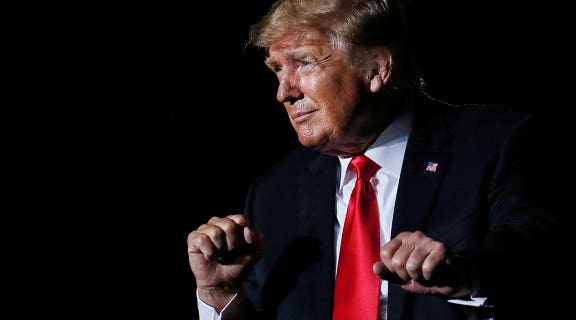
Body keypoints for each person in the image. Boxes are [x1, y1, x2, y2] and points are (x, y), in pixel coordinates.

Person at [186, 0, 559, 319]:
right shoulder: (274, 191)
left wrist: (464, 274)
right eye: (278, 69)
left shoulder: (496, 144)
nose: (284, 92)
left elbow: (534, 256)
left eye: (303, 63)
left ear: (377, 70)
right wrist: (220, 296)